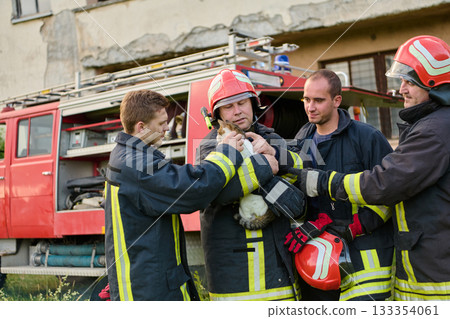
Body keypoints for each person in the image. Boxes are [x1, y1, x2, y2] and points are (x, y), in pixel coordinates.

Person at [292, 35, 450, 301]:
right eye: (306, 100)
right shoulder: (303, 138)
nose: (401, 89)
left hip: (420, 268)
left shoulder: (418, 132)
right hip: (412, 268)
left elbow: (387, 185)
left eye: (409, 82)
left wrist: (346, 214)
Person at [104, 89, 278, 301]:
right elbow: (191, 189)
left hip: (146, 281)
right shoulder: (137, 163)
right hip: (148, 291)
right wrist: (227, 152)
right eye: (161, 124)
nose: (167, 128)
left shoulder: (129, 155)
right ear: (141, 127)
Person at [284, 69, 394, 301]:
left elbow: (390, 195)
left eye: (318, 100)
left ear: (337, 101)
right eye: (306, 99)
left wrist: (353, 227)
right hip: (318, 259)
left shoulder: (367, 137)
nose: (310, 107)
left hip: (365, 258)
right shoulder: (302, 139)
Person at [197, 69, 306, 301]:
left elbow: (303, 173)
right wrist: (266, 166)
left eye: (242, 103)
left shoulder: (272, 140)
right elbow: (217, 191)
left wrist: (275, 152)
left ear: (253, 104)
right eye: (228, 106)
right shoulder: (209, 148)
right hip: (234, 283)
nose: (237, 112)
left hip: (279, 276)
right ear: (216, 115)